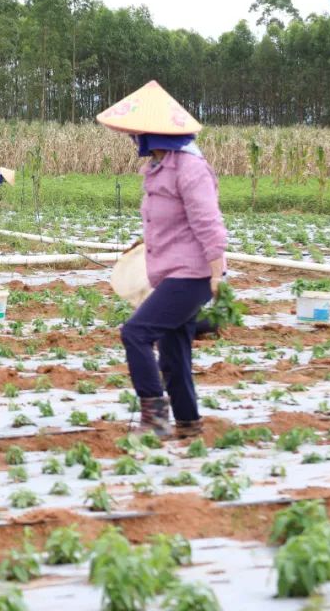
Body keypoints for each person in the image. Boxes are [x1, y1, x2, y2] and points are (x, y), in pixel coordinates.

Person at [97, 80, 227, 439]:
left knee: (136, 333)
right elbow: (167, 221)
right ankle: (189, 424)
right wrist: (144, 244)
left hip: (192, 275)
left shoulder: (190, 168)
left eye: (136, 132)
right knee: (173, 352)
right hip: (169, 273)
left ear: (153, 134)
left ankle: (154, 417)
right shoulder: (158, 168)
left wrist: (217, 274)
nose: (132, 139)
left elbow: (208, 222)